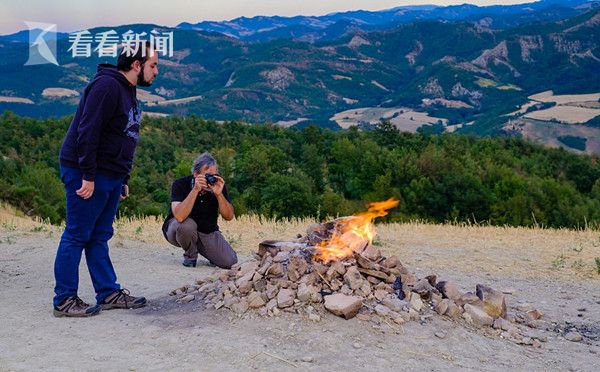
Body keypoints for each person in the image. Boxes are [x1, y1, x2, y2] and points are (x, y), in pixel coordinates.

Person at [53, 42, 159, 317]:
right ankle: (64, 300)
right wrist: (87, 176)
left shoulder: (127, 89)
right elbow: (87, 131)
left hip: (110, 173)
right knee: (77, 234)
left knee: (99, 235)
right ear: (136, 65)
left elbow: (125, 136)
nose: (156, 71)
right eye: (153, 65)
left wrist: (123, 177)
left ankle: (108, 292)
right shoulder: (107, 87)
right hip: (86, 171)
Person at [162, 152, 238, 269]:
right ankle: (190, 257)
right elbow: (179, 216)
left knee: (231, 262)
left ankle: (209, 254)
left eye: (213, 175)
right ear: (196, 174)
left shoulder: (217, 185)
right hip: (177, 230)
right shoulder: (180, 184)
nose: (210, 179)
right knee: (187, 226)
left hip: (206, 231)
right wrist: (195, 190)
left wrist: (219, 195)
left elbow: (229, 216)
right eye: (207, 176)